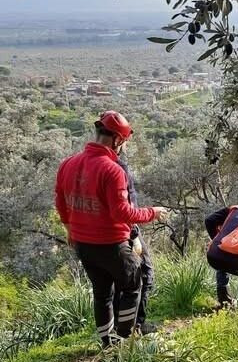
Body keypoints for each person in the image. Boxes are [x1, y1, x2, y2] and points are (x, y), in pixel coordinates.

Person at [55, 111, 167, 347]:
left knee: (102, 293)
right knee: (133, 285)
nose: (123, 147)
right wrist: (152, 213)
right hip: (112, 244)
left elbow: (61, 203)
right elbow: (122, 214)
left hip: (84, 245)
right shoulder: (113, 169)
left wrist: (70, 231)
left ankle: (107, 343)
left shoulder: (68, 163)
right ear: (117, 140)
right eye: (123, 142)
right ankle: (125, 339)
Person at [113, 159, 156, 336]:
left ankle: (118, 328)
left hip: (107, 234)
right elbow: (126, 205)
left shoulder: (91, 162)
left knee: (116, 281)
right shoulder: (117, 166)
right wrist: (134, 233)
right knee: (145, 274)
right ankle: (133, 327)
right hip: (124, 231)